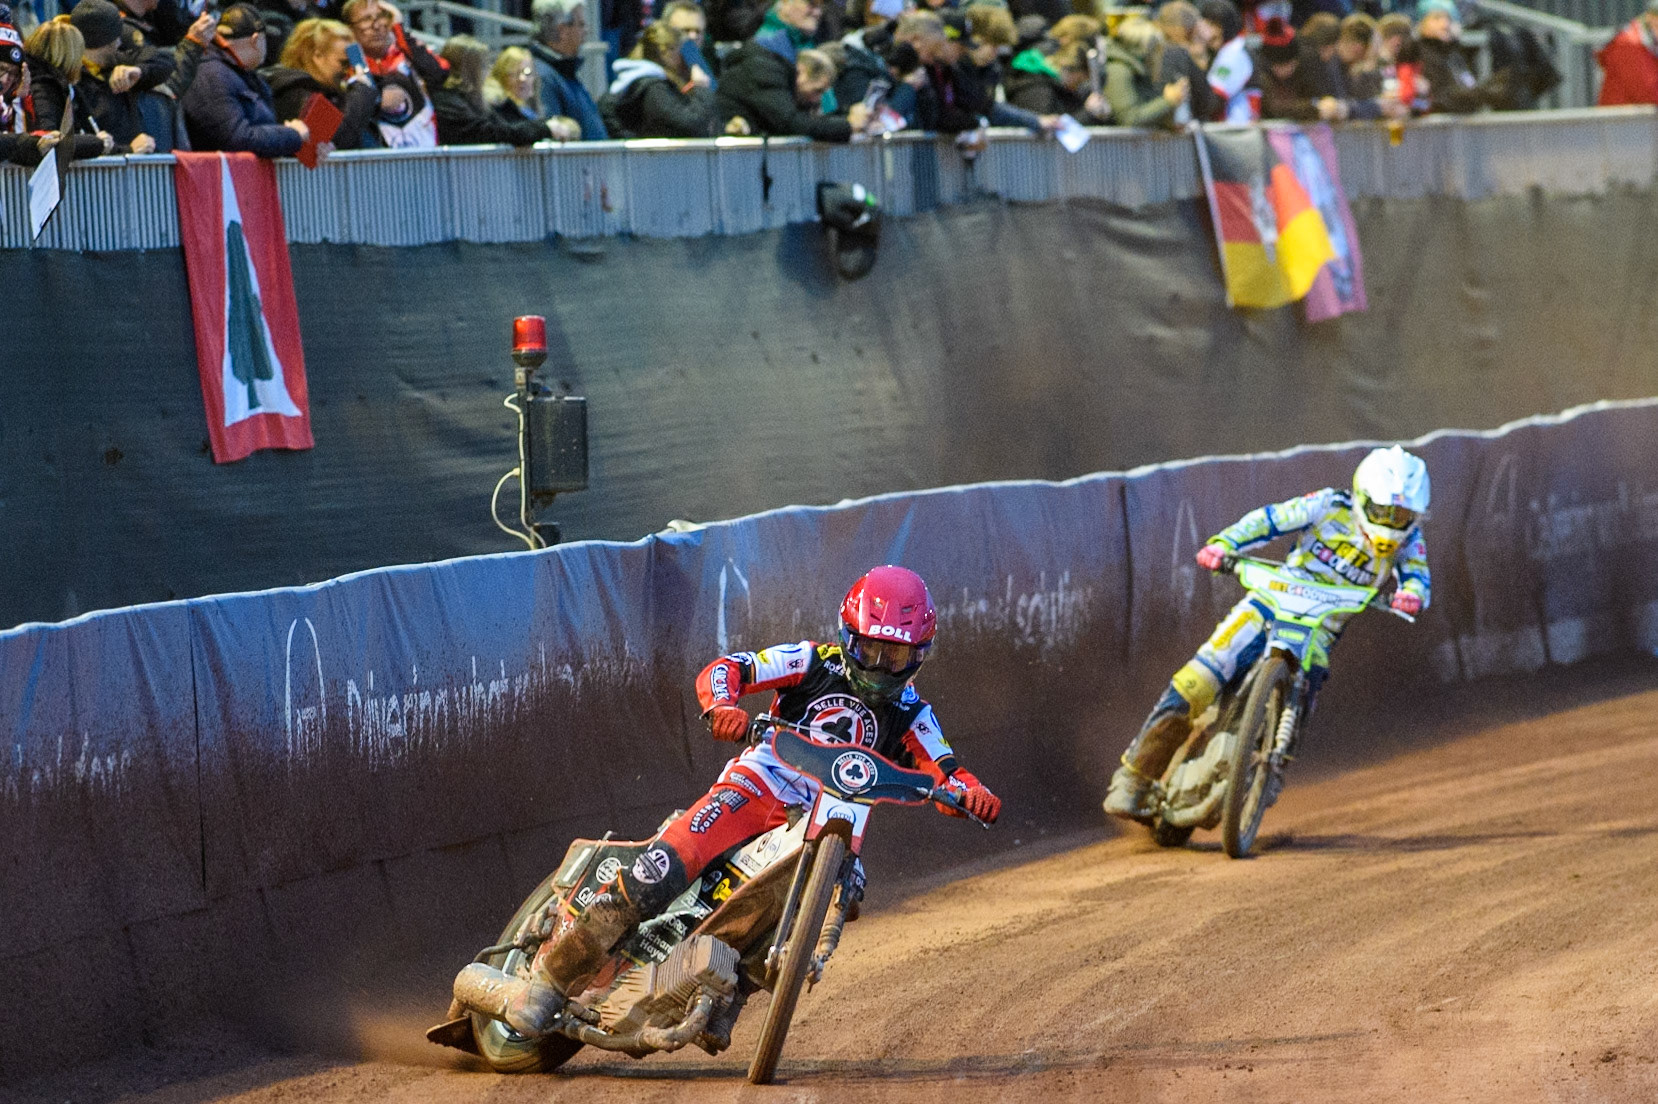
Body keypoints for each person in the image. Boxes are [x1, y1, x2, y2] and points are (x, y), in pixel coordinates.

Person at [499, 566, 1003, 1036]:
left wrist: (970, 795)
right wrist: (722, 705)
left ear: (917, 655)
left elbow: (948, 770)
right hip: (760, 785)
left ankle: (730, 980)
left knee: (847, 892)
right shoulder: (811, 660)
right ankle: (549, 981)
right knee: (661, 868)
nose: (879, 667)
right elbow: (730, 668)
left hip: (835, 819)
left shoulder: (916, 713)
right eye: (870, 650)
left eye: (893, 657)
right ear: (849, 637)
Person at [1103, 447, 1431, 826]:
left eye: (1402, 516)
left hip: (1319, 630)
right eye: (1382, 512)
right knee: (1198, 680)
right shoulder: (1328, 505)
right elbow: (1270, 520)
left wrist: (1412, 596)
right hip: (1269, 604)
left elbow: (1418, 577)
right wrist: (1225, 544)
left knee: (1308, 690)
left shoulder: (1411, 541)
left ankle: (1272, 768)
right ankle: (1134, 777)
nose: (1391, 524)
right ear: (1361, 497)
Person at [717, 0, 872, 140]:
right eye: (810, 4)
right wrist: (848, 125)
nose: (817, 13)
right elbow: (789, 121)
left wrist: (848, 117)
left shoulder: (800, 44)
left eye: (820, 7)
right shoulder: (765, 57)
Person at [181, 4, 307, 156]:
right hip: (222, 177)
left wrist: (303, 146)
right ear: (256, 39)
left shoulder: (239, 73)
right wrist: (292, 135)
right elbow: (236, 139)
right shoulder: (213, 74)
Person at [265, 16, 380, 148]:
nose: (349, 70)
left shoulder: (336, 91)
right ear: (317, 56)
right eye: (343, 63)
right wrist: (362, 92)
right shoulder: (295, 90)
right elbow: (337, 139)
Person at [343, 0, 445, 146]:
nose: (377, 26)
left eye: (382, 17)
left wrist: (399, 28)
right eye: (366, 19)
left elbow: (439, 73)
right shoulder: (348, 65)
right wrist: (377, 101)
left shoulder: (409, 55)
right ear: (349, 29)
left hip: (426, 153)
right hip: (376, 159)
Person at [433, 34, 564, 144]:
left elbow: (502, 127)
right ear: (470, 71)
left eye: (528, 73)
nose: (488, 71)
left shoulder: (468, 101)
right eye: (483, 66)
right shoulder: (448, 101)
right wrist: (545, 129)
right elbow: (494, 132)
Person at [599, 22, 720, 137]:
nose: (684, 59)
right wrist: (701, 87)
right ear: (666, 52)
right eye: (680, 51)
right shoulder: (653, 88)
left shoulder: (640, 82)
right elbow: (690, 125)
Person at [23, 18, 120, 158]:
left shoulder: (67, 87)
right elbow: (50, 140)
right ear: (70, 55)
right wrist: (97, 143)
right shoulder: (44, 88)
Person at [527, 0, 605, 139]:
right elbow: (553, 140)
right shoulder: (543, 77)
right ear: (562, 30)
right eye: (581, 24)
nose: (586, 31)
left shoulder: (565, 73)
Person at [1414, 0, 1507, 114]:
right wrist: (1481, 94)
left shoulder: (1453, 53)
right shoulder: (1418, 55)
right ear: (1422, 23)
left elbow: (1467, 83)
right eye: (1436, 18)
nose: (1445, 24)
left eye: (1448, 19)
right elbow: (1439, 99)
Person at [1, 5, 63, 165]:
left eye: (14, 74)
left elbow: (20, 152)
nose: (5, 80)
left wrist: (19, 99)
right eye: (1, 69)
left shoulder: (7, 104)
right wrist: (30, 142)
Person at [1102, 15, 1189, 129]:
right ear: (1145, 51)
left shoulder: (1138, 70)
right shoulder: (1118, 70)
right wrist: (1167, 101)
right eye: (1156, 50)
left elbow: (1144, 111)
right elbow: (1129, 118)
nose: (1158, 56)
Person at [1596, 0, 1658, 106]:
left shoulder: (1651, 44)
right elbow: (1648, 93)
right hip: (1619, 120)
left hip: (1638, 119)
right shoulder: (1629, 44)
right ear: (1649, 17)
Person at [485, 43, 540, 122]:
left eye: (527, 73)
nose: (522, 79)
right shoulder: (496, 112)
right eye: (514, 73)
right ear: (500, 76)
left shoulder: (530, 109)